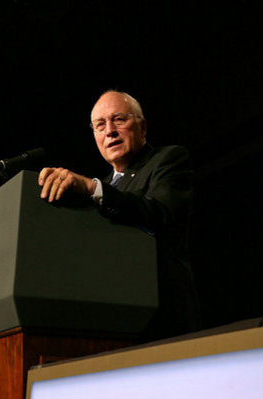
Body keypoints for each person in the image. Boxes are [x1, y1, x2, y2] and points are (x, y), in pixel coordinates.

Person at [38, 90, 201, 339]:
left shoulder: (167, 160)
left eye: (119, 120)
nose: (109, 131)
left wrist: (92, 188)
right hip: (112, 322)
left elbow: (158, 213)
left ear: (142, 127)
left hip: (163, 318)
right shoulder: (102, 187)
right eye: (100, 125)